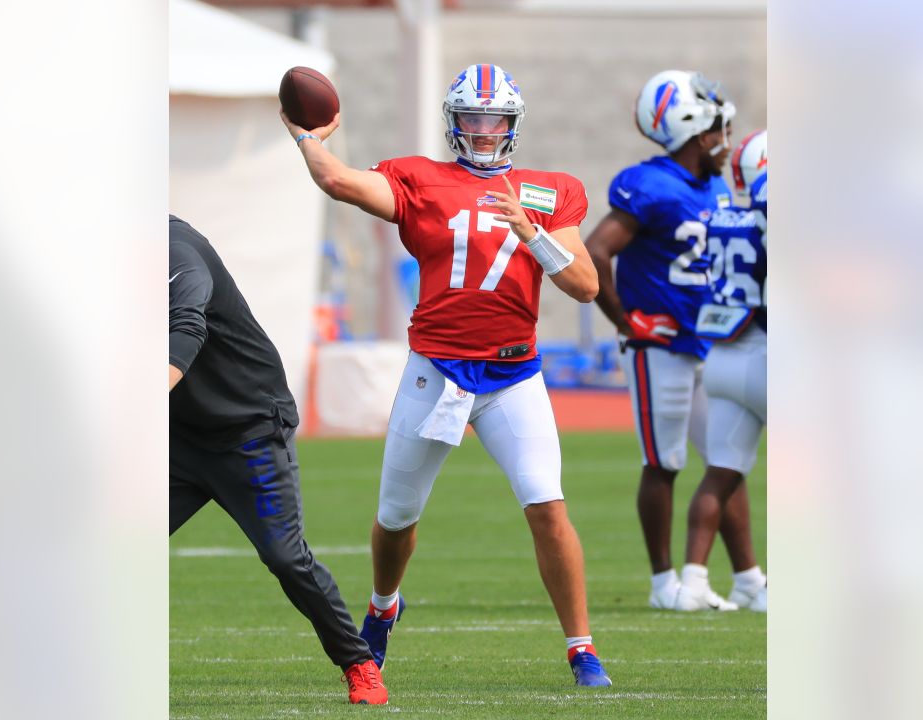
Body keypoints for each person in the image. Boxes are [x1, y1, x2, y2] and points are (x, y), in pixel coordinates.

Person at [280, 64, 612, 687]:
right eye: (472, 118)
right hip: (437, 367)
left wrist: (533, 236)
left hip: (514, 375)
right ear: (453, 121)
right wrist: (308, 137)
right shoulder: (420, 176)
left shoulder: (548, 190)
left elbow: (587, 285)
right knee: (397, 515)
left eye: (495, 120)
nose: (484, 131)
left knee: (546, 503)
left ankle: (582, 647)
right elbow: (341, 184)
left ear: (513, 124)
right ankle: (382, 607)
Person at [168, 215, 388, 705]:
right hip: (177, 438)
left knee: (286, 558)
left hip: (248, 432)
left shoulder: (174, 250)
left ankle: (358, 663)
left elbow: (186, 327)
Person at [585, 70, 739, 612]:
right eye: (718, 127)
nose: (725, 138)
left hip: (709, 343)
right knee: (664, 461)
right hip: (661, 347)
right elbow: (596, 251)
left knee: (726, 459)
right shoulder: (648, 184)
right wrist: (626, 323)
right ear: (696, 131)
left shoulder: (715, 186)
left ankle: (746, 577)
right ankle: (662, 583)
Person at [686, 130, 769, 612]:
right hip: (765, 350)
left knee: (721, 472)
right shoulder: (768, 210)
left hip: (721, 353)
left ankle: (695, 580)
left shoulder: (720, 215)